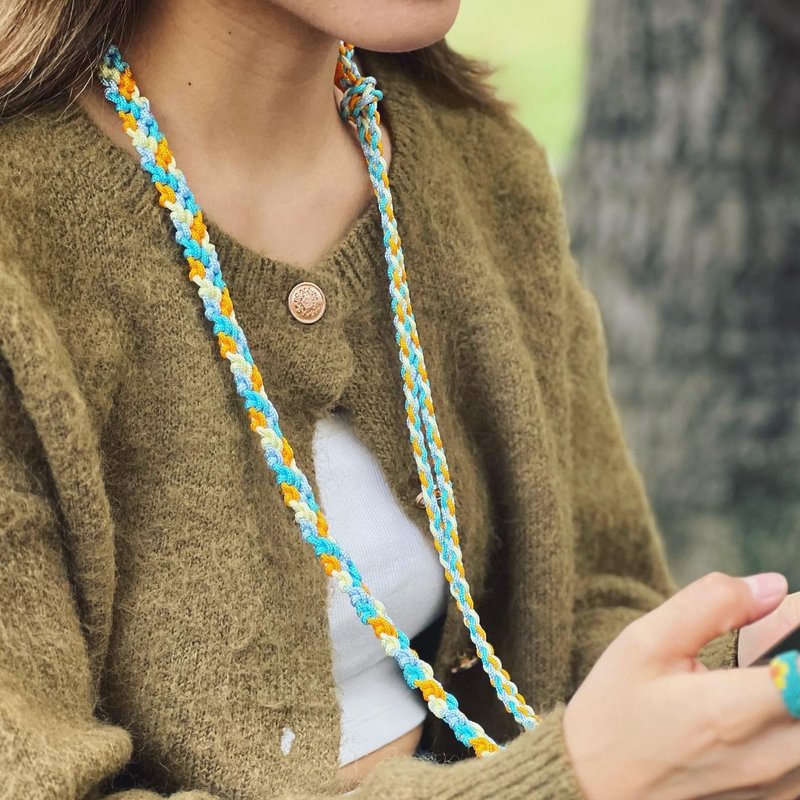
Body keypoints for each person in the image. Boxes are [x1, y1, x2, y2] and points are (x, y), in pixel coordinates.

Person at [0, 1, 799, 798]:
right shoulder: (22, 247)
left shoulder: (473, 161)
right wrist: (569, 781)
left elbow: (587, 599)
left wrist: (742, 674)